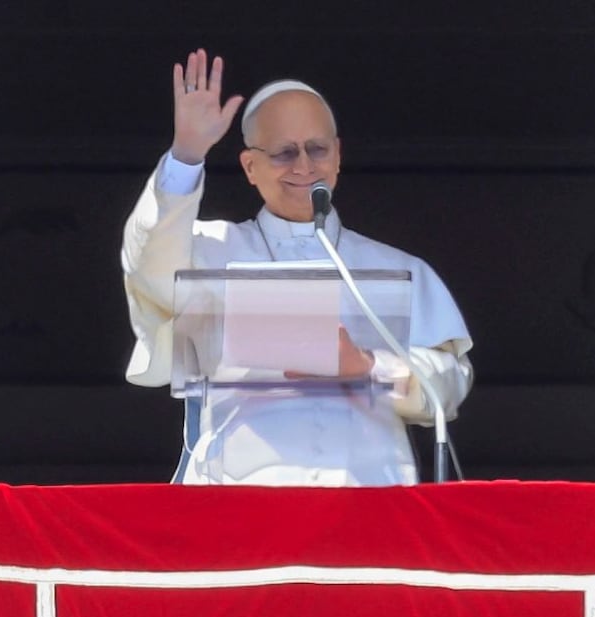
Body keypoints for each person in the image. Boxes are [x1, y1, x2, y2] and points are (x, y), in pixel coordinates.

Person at [122, 49, 473, 486]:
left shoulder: (398, 268)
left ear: (338, 155)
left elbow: (451, 385)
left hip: (369, 501)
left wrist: (367, 365)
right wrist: (186, 156)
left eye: (317, 149)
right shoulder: (209, 251)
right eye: (285, 153)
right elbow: (147, 266)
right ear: (251, 166)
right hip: (239, 501)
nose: (305, 166)